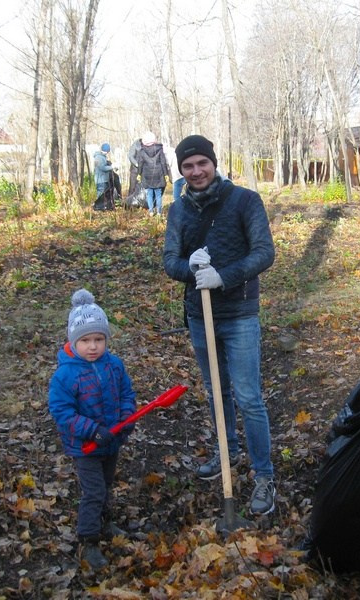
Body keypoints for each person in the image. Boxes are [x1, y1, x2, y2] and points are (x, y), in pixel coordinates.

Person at [162, 134, 277, 516]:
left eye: (201, 163)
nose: (196, 171)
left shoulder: (245, 201)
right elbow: (169, 261)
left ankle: (264, 475)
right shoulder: (178, 212)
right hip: (199, 315)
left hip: (239, 314)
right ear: (181, 171)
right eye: (188, 166)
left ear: (214, 163)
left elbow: (264, 252)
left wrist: (222, 277)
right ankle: (226, 452)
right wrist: (189, 268)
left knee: (248, 396)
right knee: (216, 392)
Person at [48, 289, 137, 570]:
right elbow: (62, 412)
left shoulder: (114, 365)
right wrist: (92, 430)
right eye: (85, 340)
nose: (93, 346)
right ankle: (89, 540)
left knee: (108, 484)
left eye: (99, 339)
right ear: (73, 341)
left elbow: (126, 393)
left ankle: (106, 522)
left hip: (111, 440)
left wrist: (127, 417)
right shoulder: (66, 374)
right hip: (85, 446)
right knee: (94, 491)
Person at [137, 132, 171, 216]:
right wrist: (166, 174)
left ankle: (151, 211)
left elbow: (140, 163)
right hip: (158, 174)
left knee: (149, 194)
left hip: (147, 175)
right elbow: (163, 162)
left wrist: (139, 174)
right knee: (158, 194)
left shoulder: (142, 151)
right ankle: (159, 212)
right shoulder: (159, 149)